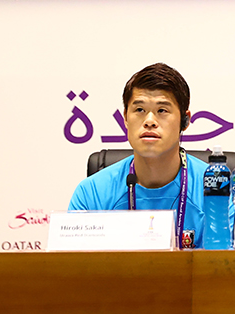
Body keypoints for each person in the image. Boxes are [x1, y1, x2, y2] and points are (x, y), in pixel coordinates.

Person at [69, 63, 225, 249]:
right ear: (125, 117)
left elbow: (230, 270)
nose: (150, 121)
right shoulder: (92, 193)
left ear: (185, 120)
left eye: (162, 110)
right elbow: (74, 272)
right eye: (140, 110)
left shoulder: (217, 190)